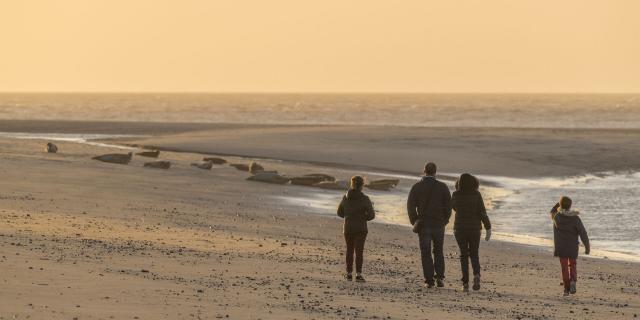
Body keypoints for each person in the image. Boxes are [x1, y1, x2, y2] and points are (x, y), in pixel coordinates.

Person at [407, 162, 452, 288]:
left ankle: (429, 280)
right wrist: (445, 220)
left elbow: (410, 206)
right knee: (438, 251)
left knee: (425, 253)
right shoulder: (442, 187)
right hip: (439, 224)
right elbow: (448, 206)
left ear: (424, 171)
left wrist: (414, 221)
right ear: (435, 172)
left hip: (424, 224)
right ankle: (440, 278)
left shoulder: (417, 187)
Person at [452, 173, 491, 292]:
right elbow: (482, 212)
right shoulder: (476, 195)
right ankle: (476, 275)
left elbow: (453, 207)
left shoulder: (455, 194)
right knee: (474, 253)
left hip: (459, 228)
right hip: (474, 228)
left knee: (463, 255)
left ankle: (465, 284)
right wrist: (488, 227)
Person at [549, 196, 590, 296]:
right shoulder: (575, 218)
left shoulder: (557, 217)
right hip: (572, 247)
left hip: (561, 247)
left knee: (564, 267)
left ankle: (566, 289)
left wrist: (559, 204)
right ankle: (573, 281)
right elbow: (583, 233)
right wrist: (587, 246)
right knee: (573, 265)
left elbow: (552, 211)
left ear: (561, 205)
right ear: (570, 206)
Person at [337, 175, 375, 282]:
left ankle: (348, 274)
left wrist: (348, 216)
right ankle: (358, 274)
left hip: (348, 227)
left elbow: (339, 213)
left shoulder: (345, 197)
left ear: (352, 184)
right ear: (362, 185)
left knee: (349, 250)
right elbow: (372, 215)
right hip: (361, 228)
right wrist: (363, 218)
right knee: (359, 251)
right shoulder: (365, 199)